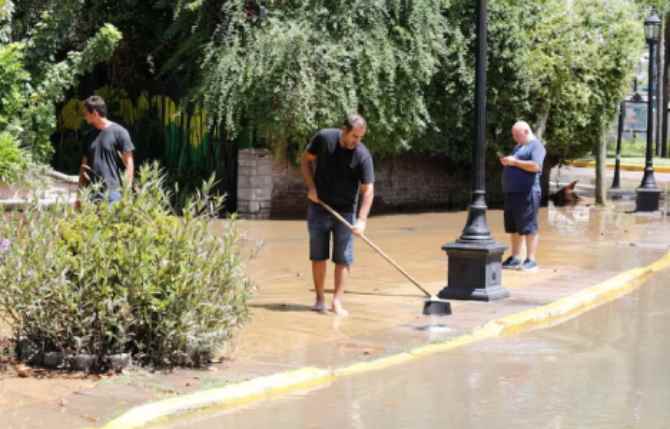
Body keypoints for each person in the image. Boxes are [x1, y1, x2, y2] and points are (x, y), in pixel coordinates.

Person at [301, 114, 374, 316]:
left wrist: (361, 221)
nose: (356, 141)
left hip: (346, 212)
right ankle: (319, 299)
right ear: (344, 130)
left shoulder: (362, 155)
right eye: (354, 136)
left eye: (360, 137)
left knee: (343, 258)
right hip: (319, 207)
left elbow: (368, 190)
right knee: (318, 255)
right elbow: (306, 161)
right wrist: (311, 188)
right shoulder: (324, 138)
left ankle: (337, 302)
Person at [499, 121, 546, 272]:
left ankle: (531, 260)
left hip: (527, 192)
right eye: (513, 135)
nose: (514, 138)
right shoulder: (518, 147)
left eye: (516, 135)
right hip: (513, 192)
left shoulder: (536, 146)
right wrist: (508, 162)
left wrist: (515, 162)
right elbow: (517, 163)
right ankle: (515, 257)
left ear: (526, 131)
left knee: (528, 226)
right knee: (513, 227)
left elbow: (536, 166)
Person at [78, 95, 135, 205]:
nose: (84, 116)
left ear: (95, 113)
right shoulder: (88, 136)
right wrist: (79, 195)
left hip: (114, 193)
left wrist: (126, 193)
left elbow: (129, 164)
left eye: (86, 113)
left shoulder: (119, 132)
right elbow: (83, 167)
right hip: (93, 192)